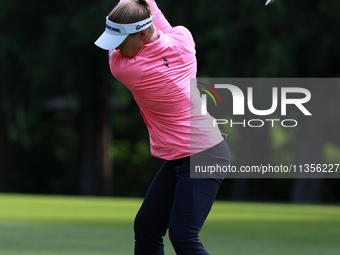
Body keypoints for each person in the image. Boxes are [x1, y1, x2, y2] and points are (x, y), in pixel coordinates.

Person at [94, 0, 230, 254]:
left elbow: (146, 14)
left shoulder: (127, 68)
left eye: (121, 41)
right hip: (185, 155)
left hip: (204, 154)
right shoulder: (182, 41)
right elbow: (156, 21)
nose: (117, 48)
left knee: (184, 237)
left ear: (143, 34)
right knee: (147, 228)